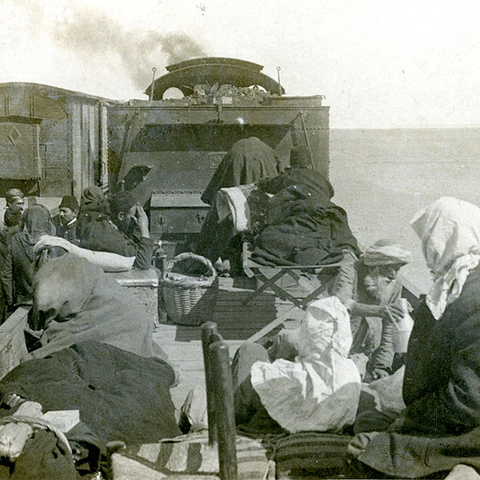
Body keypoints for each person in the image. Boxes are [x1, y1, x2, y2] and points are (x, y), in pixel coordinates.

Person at [350, 197, 480, 479]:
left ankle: (464, 469)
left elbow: (468, 399)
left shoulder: (472, 296)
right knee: (368, 423)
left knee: (365, 448)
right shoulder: (458, 286)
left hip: (466, 426)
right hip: (452, 416)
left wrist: (407, 421)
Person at [331, 239, 412, 380]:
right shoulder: (351, 270)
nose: (393, 275)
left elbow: (389, 326)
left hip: (362, 353)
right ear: (374, 265)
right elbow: (340, 303)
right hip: (334, 346)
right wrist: (378, 311)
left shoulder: (394, 282)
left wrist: (381, 365)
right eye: (390, 268)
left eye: (397, 269)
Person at [79, 191, 155, 270]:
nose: (137, 220)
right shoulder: (108, 236)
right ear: (121, 216)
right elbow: (143, 262)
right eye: (135, 215)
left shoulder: (105, 223)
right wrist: (144, 227)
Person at [1, 204, 56, 308]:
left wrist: (10, 300)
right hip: (48, 303)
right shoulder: (53, 242)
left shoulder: (15, 241)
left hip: (22, 302)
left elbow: (6, 275)